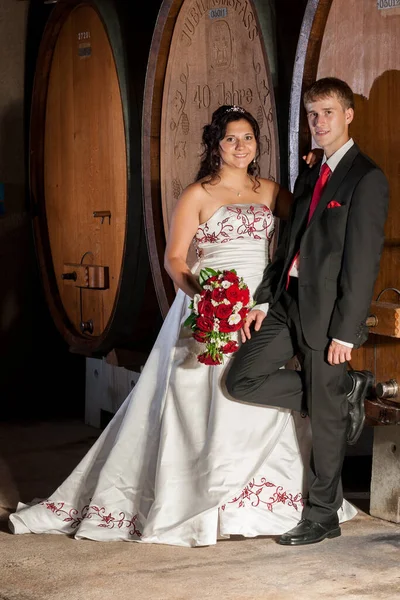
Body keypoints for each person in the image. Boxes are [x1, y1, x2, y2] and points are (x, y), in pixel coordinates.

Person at [8, 104, 357, 546]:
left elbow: (306, 222)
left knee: (256, 386)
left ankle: (263, 496)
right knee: (200, 392)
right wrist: (202, 294)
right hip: (209, 298)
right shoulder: (197, 194)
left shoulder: (269, 190)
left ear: (257, 145)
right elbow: (175, 259)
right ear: (215, 145)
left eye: (248, 138)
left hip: (260, 303)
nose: (240, 146)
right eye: (230, 138)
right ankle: (203, 499)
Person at [226, 78, 389, 546]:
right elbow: (291, 241)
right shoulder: (311, 170)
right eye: (312, 115)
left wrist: (347, 332)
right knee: (243, 378)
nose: (319, 123)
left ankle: (322, 515)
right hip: (286, 301)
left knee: (324, 418)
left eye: (328, 113)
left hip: (328, 316)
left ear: (348, 115)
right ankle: (341, 396)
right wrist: (263, 297)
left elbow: (362, 263)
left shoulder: (366, 178)